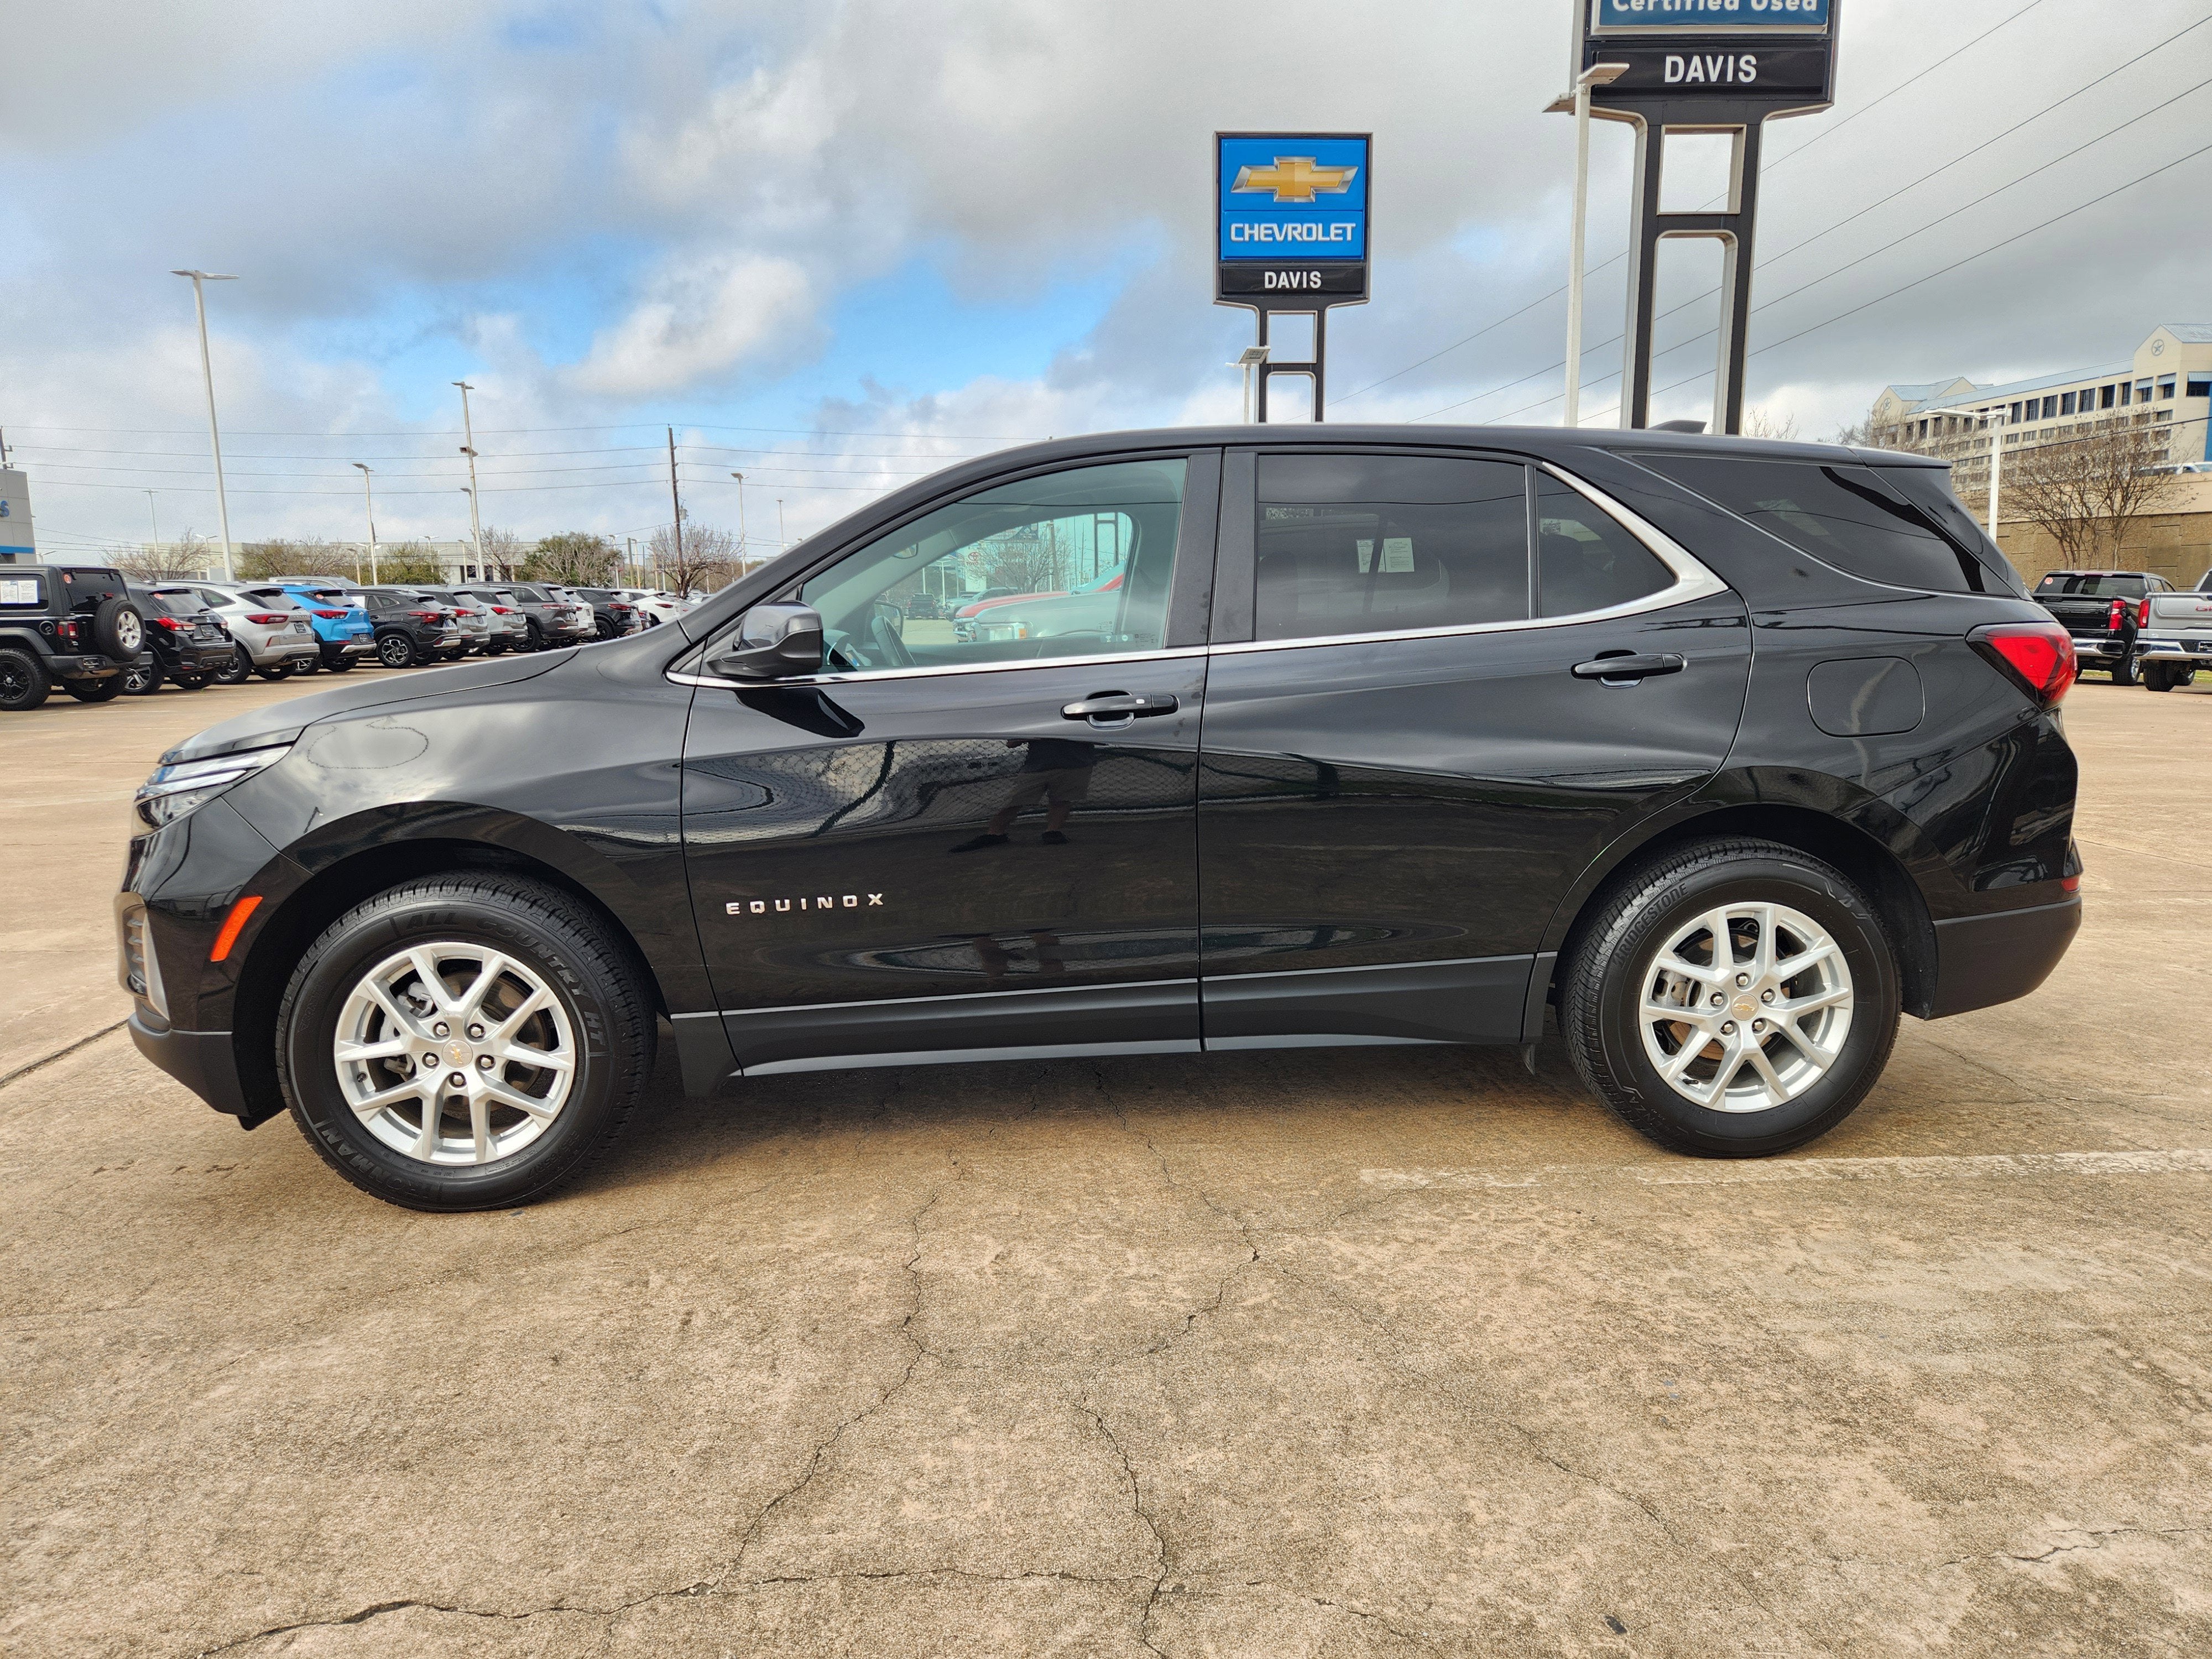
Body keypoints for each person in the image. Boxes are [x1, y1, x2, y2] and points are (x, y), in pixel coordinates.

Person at [949, 737, 1097, 852]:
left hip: (1076, 763)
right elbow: (1012, 743)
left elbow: (1095, 736)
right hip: (1038, 766)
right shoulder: (1034, 717)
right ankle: (994, 833)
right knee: (1014, 801)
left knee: (1062, 801)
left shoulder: (1077, 713)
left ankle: (1053, 831)